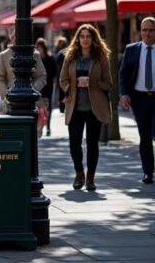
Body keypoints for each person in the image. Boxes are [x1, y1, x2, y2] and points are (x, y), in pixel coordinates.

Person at [59, 23, 113, 191]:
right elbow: (62, 80)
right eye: (82, 36)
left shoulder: (101, 57)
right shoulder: (70, 57)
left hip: (94, 107)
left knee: (92, 144)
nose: (85, 39)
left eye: (88, 36)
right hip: (75, 107)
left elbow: (108, 83)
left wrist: (93, 83)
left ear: (93, 38)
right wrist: (73, 85)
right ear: (78, 38)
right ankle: (79, 173)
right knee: (74, 142)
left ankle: (90, 178)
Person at [120, 17, 155, 184]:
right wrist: (124, 94)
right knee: (145, 137)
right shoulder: (132, 49)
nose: (147, 33)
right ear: (140, 31)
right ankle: (148, 172)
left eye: (151, 30)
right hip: (139, 99)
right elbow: (124, 74)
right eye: (144, 30)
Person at [0, 30, 46, 114]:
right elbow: (0, 78)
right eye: (15, 37)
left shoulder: (35, 54)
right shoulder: (4, 55)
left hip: (31, 98)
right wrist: (5, 94)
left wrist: (33, 89)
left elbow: (42, 76)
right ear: (12, 38)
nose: (18, 40)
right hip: (9, 98)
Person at [36, 38, 59, 137]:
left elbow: (54, 72)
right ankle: (40, 127)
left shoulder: (50, 58)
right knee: (39, 107)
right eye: (38, 47)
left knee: (48, 107)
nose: (40, 50)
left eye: (41, 48)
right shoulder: (35, 59)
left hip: (48, 86)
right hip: (38, 87)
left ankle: (48, 127)